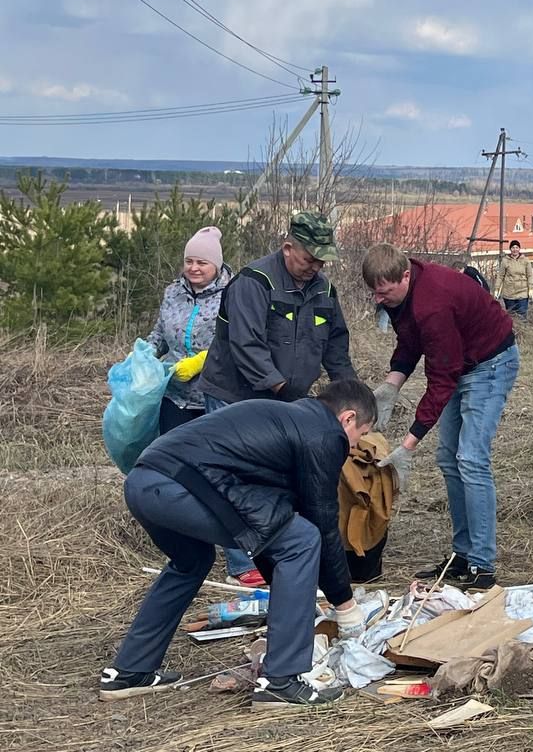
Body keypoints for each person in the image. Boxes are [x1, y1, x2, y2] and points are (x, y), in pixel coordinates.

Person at [99, 380, 377, 709]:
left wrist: (291, 592)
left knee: (192, 562)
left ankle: (130, 671)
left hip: (144, 482)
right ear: (346, 419)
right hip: (181, 485)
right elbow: (321, 522)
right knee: (302, 540)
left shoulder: (287, 419)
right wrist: (344, 604)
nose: (357, 444)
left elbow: (263, 526)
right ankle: (281, 680)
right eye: (362, 433)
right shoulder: (324, 434)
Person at [197, 211, 357, 587]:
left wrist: (349, 395)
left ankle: (276, 554)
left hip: (285, 403)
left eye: (322, 261)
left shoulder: (324, 291)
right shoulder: (254, 282)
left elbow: (336, 347)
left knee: (276, 479)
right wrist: (290, 396)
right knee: (233, 480)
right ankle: (242, 564)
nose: (315, 267)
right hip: (236, 396)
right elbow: (247, 346)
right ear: (288, 248)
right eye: (309, 259)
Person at [362, 244, 520, 590]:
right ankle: (460, 555)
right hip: (461, 363)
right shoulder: (404, 295)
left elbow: (442, 379)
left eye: (384, 293)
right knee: (449, 459)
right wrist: (392, 384)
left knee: (471, 458)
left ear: (404, 276)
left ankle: (482, 565)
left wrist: (408, 443)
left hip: (490, 364)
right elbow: (409, 341)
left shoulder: (433, 303)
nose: (379, 300)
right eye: (375, 293)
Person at [145, 226, 232, 434]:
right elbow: (160, 333)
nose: (194, 268)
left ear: (216, 266)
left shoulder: (232, 295)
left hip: (214, 397)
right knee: (172, 458)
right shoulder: (173, 292)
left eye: (202, 263)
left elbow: (237, 342)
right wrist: (145, 353)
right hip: (174, 396)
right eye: (189, 261)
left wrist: (201, 361)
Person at [495, 240, 533, 318]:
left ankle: (523, 329)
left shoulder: (525, 260)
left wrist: (531, 289)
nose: (515, 249)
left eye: (517, 247)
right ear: (510, 249)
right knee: (511, 316)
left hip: (522, 292)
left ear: (519, 249)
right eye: (513, 247)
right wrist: (497, 289)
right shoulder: (505, 261)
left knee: (522, 315)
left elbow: (530, 275)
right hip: (509, 293)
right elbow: (500, 276)